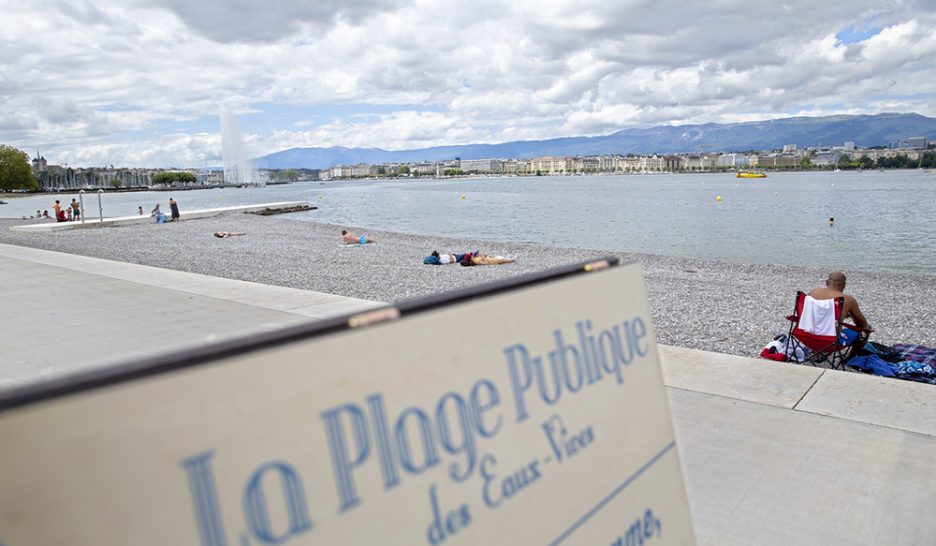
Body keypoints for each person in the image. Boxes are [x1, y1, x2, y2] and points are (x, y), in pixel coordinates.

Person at [809, 271, 872, 350]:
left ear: (826, 282)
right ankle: (849, 359)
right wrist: (848, 315)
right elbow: (862, 325)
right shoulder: (848, 300)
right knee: (867, 328)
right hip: (831, 342)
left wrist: (842, 314)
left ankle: (814, 351)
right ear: (844, 286)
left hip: (806, 338)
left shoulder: (813, 292)